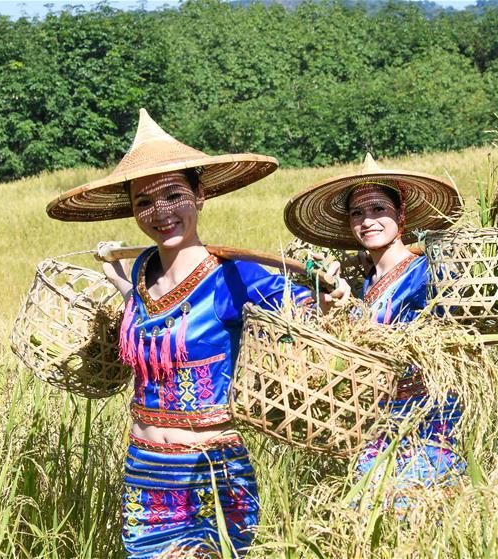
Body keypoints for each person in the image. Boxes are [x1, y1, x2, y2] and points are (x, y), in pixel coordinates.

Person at [46, 109, 349, 558]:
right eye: (145, 202)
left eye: (174, 196)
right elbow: (149, 311)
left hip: (209, 475)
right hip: (144, 472)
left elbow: (304, 310)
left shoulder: (234, 276)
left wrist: (330, 296)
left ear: (201, 195)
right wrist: (114, 274)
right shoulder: (143, 268)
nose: (161, 212)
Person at [284, 153, 465, 500]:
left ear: (401, 215)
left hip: (425, 418)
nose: (367, 221)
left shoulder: (425, 273)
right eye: (357, 213)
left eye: (378, 210)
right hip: (378, 419)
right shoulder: (365, 284)